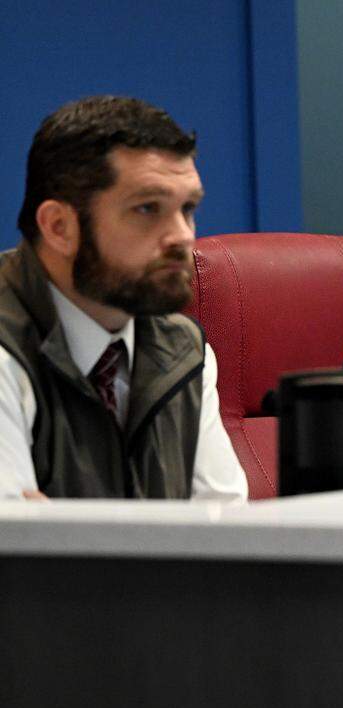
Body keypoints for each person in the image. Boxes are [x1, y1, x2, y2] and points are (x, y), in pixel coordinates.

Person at [0, 96, 247, 500]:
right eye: (147, 208)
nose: (183, 236)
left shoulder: (183, 350)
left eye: (187, 208)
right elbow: (17, 558)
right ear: (59, 227)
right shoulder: (6, 351)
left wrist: (60, 530)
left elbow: (230, 541)